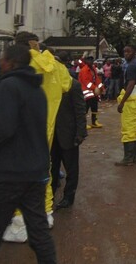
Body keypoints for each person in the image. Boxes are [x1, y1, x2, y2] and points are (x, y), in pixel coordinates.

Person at [0, 45, 56, 264]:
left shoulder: (7, 87)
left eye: (2, 59)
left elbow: (4, 129)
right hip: (36, 171)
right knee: (39, 232)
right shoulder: (38, 90)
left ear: (12, 62)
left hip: (10, 172)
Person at [12, 32, 71, 237]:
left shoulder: (16, 65)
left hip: (19, 130)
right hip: (45, 128)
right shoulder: (56, 66)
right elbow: (67, 85)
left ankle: (21, 219)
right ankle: (44, 213)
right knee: (42, 169)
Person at [51, 71, 87, 209]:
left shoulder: (74, 85)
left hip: (69, 134)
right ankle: (51, 195)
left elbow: (80, 109)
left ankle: (68, 197)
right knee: (52, 167)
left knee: (71, 169)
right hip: (52, 134)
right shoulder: (49, 84)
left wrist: (80, 133)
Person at [79, 56, 103, 128]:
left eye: (92, 60)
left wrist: (101, 87)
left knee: (94, 106)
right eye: (89, 60)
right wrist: (95, 88)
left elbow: (97, 79)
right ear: (86, 61)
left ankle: (94, 121)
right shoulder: (84, 70)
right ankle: (84, 123)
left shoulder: (93, 69)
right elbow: (86, 82)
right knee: (86, 107)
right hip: (86, 91)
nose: (91, 61)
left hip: (93, 91)